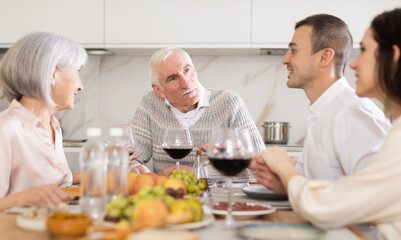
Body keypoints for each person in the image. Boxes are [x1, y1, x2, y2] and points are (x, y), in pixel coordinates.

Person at [259, 8, 401, 239]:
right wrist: (285, 181)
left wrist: (285, 169)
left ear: (325, 57)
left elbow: (349, 206)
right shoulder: (322, 112)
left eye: (364, 50)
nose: (353, 64)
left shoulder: (355, 114)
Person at [130, 47, 265, 178]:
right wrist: (134, 168)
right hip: (170, 196)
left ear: (195, 70)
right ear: (159, 90)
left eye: (187, 70)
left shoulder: (229, 102)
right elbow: (132, 158)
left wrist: (197, 172)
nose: (186, 83)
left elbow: (260, 166)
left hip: (220, 197)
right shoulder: (150, 104)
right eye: (173, 78)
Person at [0, 32, 88, 211]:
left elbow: (59, 184)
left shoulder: (53, 126)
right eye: (77, 71)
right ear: (52, 74)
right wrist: (24, 198)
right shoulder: (6, 130)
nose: (80, 85)